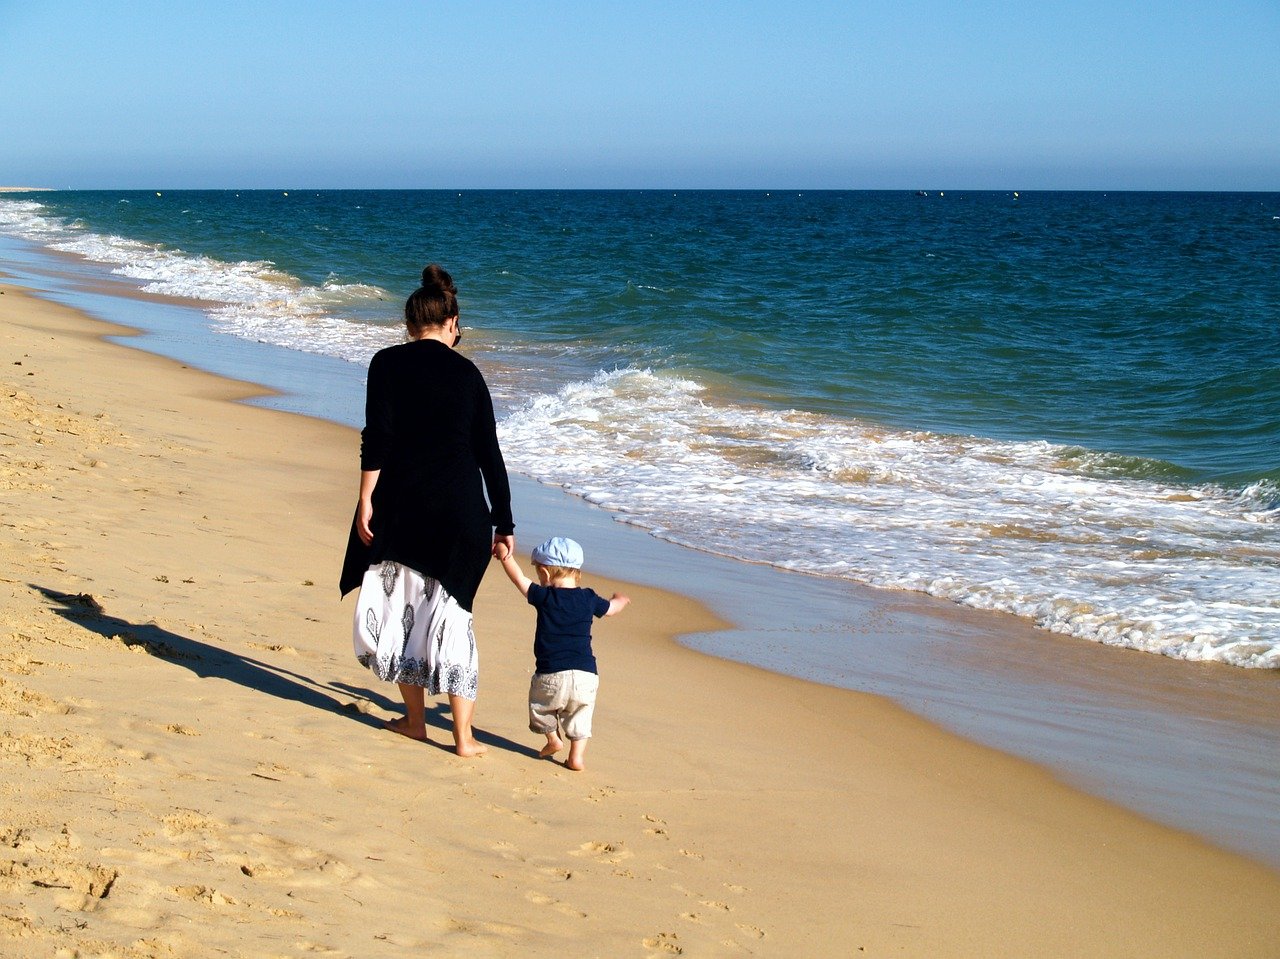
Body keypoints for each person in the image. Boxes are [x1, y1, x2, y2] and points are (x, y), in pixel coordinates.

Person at [340, 264, 514, 757]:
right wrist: (504, 521)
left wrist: (365, 498)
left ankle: (416, 722)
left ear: (410, 323)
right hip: (464, 515)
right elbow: (489, 453)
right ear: (452, 322)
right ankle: (463, 738)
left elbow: (378, 439)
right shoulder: (470, 374)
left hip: (405, 506)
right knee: (454, 619)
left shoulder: (386, 363)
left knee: (402, 616)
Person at [494, 535, 629, 770]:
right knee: (580, 716)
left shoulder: (544, 596)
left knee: (540, 707)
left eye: (538, 573)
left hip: (550, 674)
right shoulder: (588, 598)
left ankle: (553, 739)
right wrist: (621, 600)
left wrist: (505, 554)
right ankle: (576, 757)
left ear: (546, 574)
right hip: (586, 674)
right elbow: (611, 609)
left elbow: (518, 578)